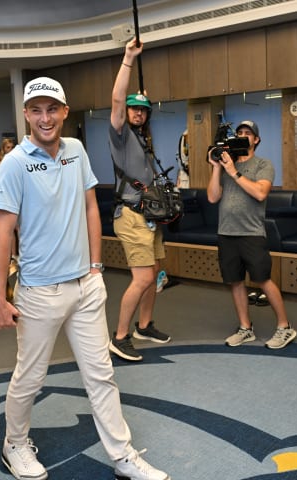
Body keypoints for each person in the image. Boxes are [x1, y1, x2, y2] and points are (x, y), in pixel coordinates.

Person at [0, 76, 170, 480]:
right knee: (31, 377)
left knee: (101, 374)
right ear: (25, 114)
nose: (45, 117)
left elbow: (90, 205)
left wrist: (95, 267)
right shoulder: (14, 165)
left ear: (65, 112)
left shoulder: (75, 150)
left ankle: (122, 456)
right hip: (39, 291)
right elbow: (2, 232)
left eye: (52, 109)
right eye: (36, 110)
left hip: (85, 287)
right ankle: (14, 444)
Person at [206, 120, 297, 349]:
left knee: (263, 279)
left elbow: (260, 193)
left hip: (251, 232)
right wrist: (218, 168)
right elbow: (212, 197)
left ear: (256, 140)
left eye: (248, 133)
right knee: (235, 281)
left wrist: (232, 171)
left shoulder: (263, 164)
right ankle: (245, 328)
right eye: (239, 132)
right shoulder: (227, 165)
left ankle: (285, 327)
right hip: (226, 231)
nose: (243, 135)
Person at [108, 38, 171, 362]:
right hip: (131, 215)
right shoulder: (120, 134)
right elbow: (118, 99)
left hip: (150, 215)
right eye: (133, 109)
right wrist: (129, 59)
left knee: (156, 271)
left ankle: (143, 326)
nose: (137, 114)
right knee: (143, 277)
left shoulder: (142, 139)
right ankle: (119, 337)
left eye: (142, 110)